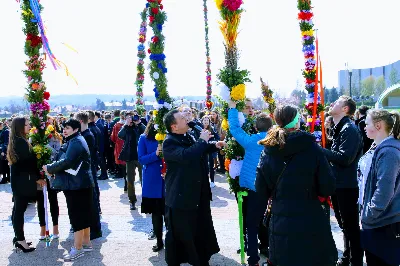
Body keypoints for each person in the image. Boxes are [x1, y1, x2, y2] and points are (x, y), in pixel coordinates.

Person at [256, 105, 337, 266]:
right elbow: (328, 186)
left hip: (281, 220)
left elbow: (260, 189)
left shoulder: (268, 150)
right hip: (311, 218)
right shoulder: (312, 148)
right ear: (296, 122)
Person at [162, 109, 226, 266]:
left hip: (197, 195)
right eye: (182, 118)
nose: (186, 119)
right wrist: (203, 141)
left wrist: (214, 145)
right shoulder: (169, 142)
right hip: (180, 198)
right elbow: (186, 155)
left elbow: (199, 149)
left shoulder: (187, 135)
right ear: (174, 127)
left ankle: (201, 260)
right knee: (181, 236)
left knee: (199, 231)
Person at [227, 100, 273, 265]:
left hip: (253, 188)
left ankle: (253, 259)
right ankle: (272, 256)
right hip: (271, 189)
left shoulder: (251, 141)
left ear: (256, 127)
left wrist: (232, 109)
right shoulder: (276, 141)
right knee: (272, 223)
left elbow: (234, 129)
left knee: (252, 225)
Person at [43, 118, 94, 261]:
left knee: (77, 216)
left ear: (76, 129)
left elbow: (68, 161)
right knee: (83, 214)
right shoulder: (76, 139)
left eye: (68, 128)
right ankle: (86, 243)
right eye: (64, 128)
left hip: (76, 185)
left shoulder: (76, 141)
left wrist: (49, 168)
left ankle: (77, 248)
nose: (64, 130)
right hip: (80, 183)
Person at [323, 96, 364, 266]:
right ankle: (347, 257)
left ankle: (355, 261)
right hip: (340, 183)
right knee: (344, 225)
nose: (332, 104)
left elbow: (345, 158)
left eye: (337, 102)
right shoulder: (341, 127)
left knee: (351, 226)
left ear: (345, 109)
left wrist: (319, 150)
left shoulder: (349, 129)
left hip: (347, 185)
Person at [360, 109, 400, 266]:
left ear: (378, 126)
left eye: (367, 123)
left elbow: (384, 191)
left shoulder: (388, 152)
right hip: (380, 222)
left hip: (384, 224)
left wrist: (368, 215)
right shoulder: (379, 148)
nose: (364, 126)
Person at [8, 117, 45, 252]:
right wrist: (37, 178)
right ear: (19, 127)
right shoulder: (20, 142)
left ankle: (18, 237)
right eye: (27, 124)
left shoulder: (18, 140)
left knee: (18, 210)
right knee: (19, 210)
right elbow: (25, 165)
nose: (29, 126)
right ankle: (20, 240)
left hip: (20, 180)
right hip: (22, 181)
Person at [138, 119, 165, 252]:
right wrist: (155, 155)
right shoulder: (144, 138)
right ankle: (159, 240)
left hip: (167, 180)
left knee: (169, 214)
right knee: (156, 213)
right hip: (152, 180)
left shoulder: (169, 137)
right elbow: (141, 159)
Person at [75, 111, 102, 240]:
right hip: (89, 170)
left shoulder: (87, 135)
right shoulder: (85, 134)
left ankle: (95, 229)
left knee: (92, 201)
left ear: (80, 122)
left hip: (88, 171)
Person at [118, 113, 145, 210]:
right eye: (130, 118)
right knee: (130, 180)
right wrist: (126, 125)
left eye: (133, 117)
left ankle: (146, 199)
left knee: (143, 179)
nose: (132, 119)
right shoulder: (126, 128)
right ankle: (132, 200)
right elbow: (120, 135)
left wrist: (139, 123)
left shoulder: (140, 126)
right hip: (130, 157)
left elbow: (147, 132)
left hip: (141, 156)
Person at [201, 115, 219, 188]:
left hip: (210, 150)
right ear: (202, 121)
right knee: (203, 166)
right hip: (202, 151)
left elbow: (217, 137)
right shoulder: (199, 129)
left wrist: (212, 142)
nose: (205, 122)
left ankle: (212, 181)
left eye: (207, 120)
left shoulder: (212, 129)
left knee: (211, 166)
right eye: (204, 120)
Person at [111, 111, 127, 181]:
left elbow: (113, 137)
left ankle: (121, 173)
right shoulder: (130, 125)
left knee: (120, 159)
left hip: (119, 145)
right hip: (128, 145)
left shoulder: (117, 125)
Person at [94, 111, 108, 180]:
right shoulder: (99, 122)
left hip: (101, 145)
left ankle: (104, 174)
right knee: (101, 160)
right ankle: (103, 174)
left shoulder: (99, 124)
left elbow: (101, 136)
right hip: (101, 145)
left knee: (102, 160)